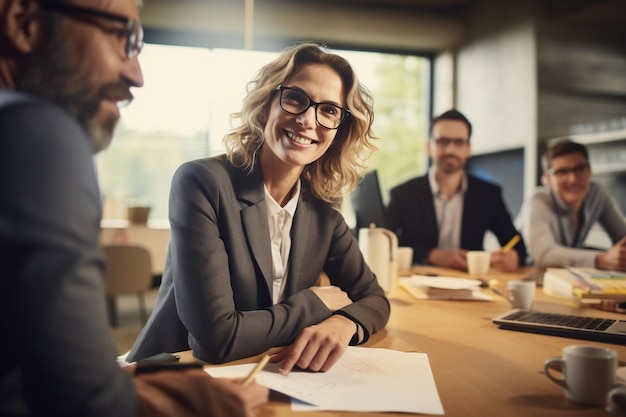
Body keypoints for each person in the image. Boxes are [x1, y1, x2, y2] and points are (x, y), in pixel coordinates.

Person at [0, 0, 268, 416]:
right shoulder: (35, 132)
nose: (137, 76)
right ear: (24, 24)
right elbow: (86, 403)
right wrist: (209, 403)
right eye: (124, 38)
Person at [127, 42, 390, 375]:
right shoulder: (202, 183)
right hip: (178, 376)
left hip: (262, 370)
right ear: (266, 106)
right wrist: (315, 305)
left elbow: (375, 299)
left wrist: (345, 323)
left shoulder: (323, 212)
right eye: (295, 98)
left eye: (328, 111)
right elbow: (216, 340)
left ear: (338, 133)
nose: (308, 120)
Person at [386, 109, 527, 271]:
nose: (450, 150)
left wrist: (514, 257)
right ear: (429, 147)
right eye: (443, 142)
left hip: (472, 285)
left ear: (468, 149)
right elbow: (386, 243)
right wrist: (431, 254)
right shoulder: (402, 194)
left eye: (458, 142)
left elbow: (517, 244)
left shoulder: (489, 195)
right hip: (417, 282)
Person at [523, 138, 626, 270]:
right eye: (562, 172)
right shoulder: (538, 200)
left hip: (569, 275)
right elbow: (543, 254)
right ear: (547, 178)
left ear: (589, 170)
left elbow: (622, 237)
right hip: (529, 275)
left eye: (579, 169)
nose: (573, 179)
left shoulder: (597, 193)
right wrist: (602, 259)